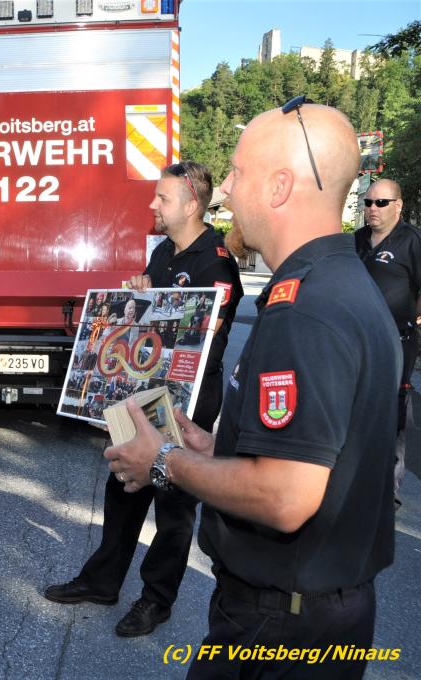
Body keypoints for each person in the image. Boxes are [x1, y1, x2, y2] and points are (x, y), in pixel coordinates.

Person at [107, 101, 399, 678]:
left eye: (237, 173)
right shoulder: (342, 283)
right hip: (311, 616)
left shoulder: (305, 309)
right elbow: (315, 455)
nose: (225, 191)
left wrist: (163, 460)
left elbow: (286, 497)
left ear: (279, 186)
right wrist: (211, 448)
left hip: (280, 627)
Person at [44, 161, 243, 637]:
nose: (153, 204)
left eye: (163, 198)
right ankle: (102, 581)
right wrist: (143, 291)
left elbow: (199, 338)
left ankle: (156, 600)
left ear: (191, 205)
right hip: (147, 391)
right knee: (125, 484)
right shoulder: (165, 254)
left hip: (187, 401)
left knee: (173, 504)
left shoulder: (215, 262)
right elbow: (151, 321)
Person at [354, 178, 421, 510]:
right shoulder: (356, 240)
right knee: (356, 409)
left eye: (381, 202)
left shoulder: (412, 241)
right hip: (357, 342)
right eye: (368, 202)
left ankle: (388, 491)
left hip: (397, 343)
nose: (372, 209)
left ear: (398, 205)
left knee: (393, 414)